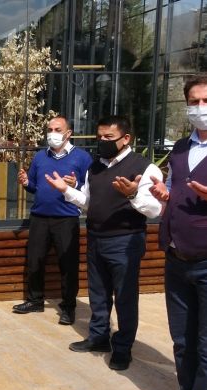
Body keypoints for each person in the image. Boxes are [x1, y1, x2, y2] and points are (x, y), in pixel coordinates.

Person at [46, 115, 162, 370]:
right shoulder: (95, 167)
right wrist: (65, 190)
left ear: (126, 138)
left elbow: (155, 210)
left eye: (109, 137)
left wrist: (133, 193)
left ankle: (123, 347)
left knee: (125, 297)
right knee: (98, 294)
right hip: (96, 238)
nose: (103, 141)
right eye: (100, 137)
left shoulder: (145, 167)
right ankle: (99, 337)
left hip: (125, 241)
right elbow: (89, 202)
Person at [146, 74, 207, 390]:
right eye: (194, 101)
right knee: (183, 342)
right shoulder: (182, 148)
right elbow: (174, 187)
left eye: (206, 101)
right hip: (177, 258)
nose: (200, 108)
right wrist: (165, 195)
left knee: (206, 347)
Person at [13, 116, 92, 325]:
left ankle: (68, 307)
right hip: (39, 217)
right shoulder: (40, 156)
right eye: (49, 129)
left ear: (68, 133)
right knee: (35, 261)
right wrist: (25, 182)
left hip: (66, 218)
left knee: (68, 265)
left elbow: (89, 189)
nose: (52, 133)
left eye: (57, 129)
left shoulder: (83, 158)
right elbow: (34, 186)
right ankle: (35, 300)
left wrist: (75, 184)